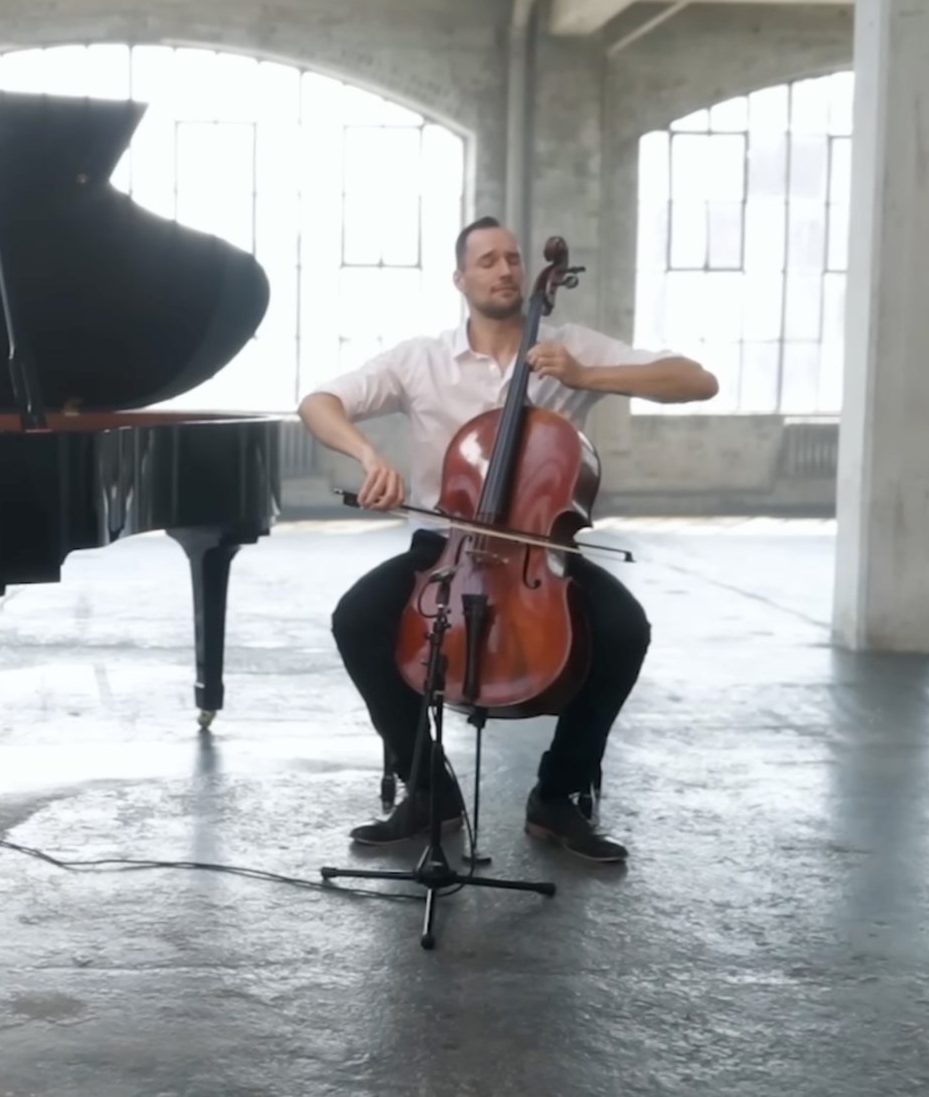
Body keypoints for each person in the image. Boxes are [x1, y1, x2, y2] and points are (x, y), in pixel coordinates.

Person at [299, 217, 718, 863]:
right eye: (488, 260)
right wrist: (366, 455)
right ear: (461, 278)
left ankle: (556, 795)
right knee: (356, 620)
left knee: (625, 629)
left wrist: (586, 375)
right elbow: (319, 401)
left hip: (539, 550)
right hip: (445, 545)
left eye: (514, 260)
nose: (504, 270)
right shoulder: (421, 359)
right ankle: (430, 788)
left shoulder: (566, 346)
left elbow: (697, 379)